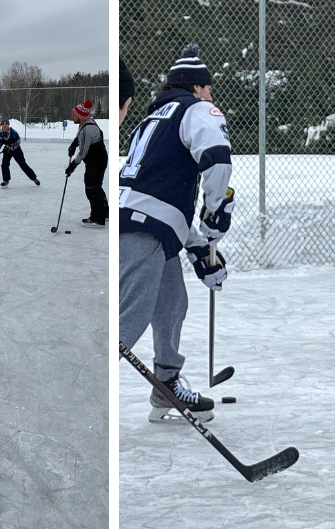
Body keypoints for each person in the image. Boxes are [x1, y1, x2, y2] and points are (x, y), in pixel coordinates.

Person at [119, 43, 234, 423]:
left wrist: (200, 248)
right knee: (128, 320)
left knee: (171, 304)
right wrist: (215, 212)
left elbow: (158, 193)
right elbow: (217, 160)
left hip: (145, 225)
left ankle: (165, 386)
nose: (211, 95)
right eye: (209, 88)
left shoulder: (152, 118)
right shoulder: (197, 109)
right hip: (144, 232)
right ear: (198, 87)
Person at [66, 100, 109, 227]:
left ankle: (97, 219)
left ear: (79, 117)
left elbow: (83, 153)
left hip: (96, 162)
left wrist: (72, 166)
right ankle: (106, 213)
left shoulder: (88, 130)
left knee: (92, 188)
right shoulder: (86, 123)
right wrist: (74, 144)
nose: (71, 117)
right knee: (96, 186)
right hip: (96, 160)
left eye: (73, 115)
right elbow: (79, 136)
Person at [0, 120, 39, 188]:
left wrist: (11, 147)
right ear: (1, 125)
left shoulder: (13, 132)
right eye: (3, 124)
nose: (5, 126)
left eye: (6, 124)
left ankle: (34, 178)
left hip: (16, 150)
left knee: (22, 164)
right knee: (4, 164)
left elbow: (18, 140)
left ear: (8, 125)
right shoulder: (0, 135)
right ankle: (6, 180)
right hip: (7, 150)